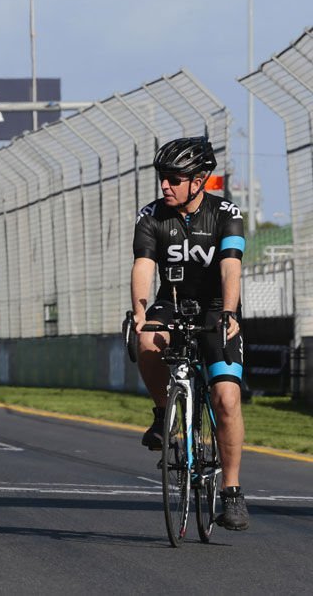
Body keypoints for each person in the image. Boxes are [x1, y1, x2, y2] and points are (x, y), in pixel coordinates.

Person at [131, 136, 249, 531]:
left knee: (227, 397)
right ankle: (164, 412)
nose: (165, 186)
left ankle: (231, 491)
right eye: (163, 178)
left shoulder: (227, 214)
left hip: (217, 308)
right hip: (171, 302)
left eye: (175, 179)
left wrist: (229, 311)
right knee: (147, 338)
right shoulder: (151, 215)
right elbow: (144, 266)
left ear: (199, 180)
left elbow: (231, 266)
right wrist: (139, 310)